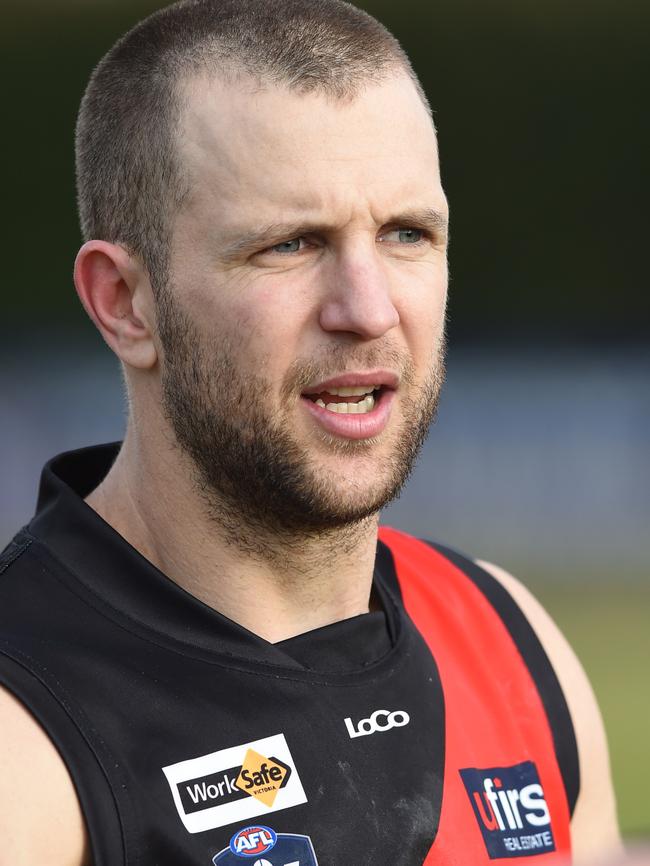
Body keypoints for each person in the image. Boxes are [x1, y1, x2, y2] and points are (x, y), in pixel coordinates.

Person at [0, 1, 622, 864]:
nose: (368, 310)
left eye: (407, 233)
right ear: (125, 304)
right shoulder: (22, 736)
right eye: (291, 245)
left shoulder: (511, 644)